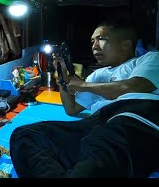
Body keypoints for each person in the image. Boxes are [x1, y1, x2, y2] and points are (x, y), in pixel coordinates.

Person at [9, 19, 159, 177]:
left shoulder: (150, 59)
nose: (94, 46)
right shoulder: (98, 75)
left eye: (101, 39)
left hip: (133, 119)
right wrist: (63, 76)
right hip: (96, 125)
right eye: (92, 41)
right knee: (26, 136)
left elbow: (133, 87)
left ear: (125, 44)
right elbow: (71, 108)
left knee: (99, 151)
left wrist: (82, 85)